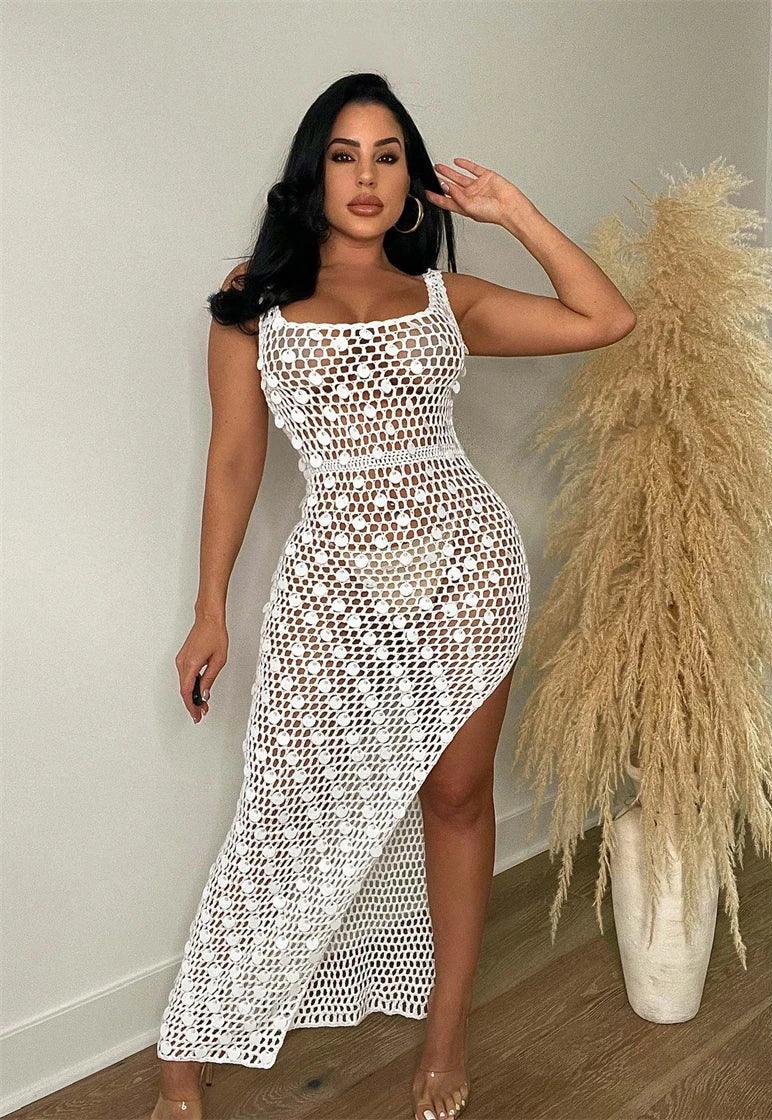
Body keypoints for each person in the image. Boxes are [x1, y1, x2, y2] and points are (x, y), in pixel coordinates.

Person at [147, 72, 636, 1120]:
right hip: (335, 585)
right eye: (343, 155)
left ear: (412, 179)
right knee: (286, 805)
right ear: (312, 173)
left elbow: (606, 317)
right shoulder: (254, 301)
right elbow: (234, 460)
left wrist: (511, 211)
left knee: (454, 800)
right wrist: (208, 607)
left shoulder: (445, 298)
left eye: (386, 156)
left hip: (465, 578)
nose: (365, 178)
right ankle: (194, 1040)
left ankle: (444, 1037)